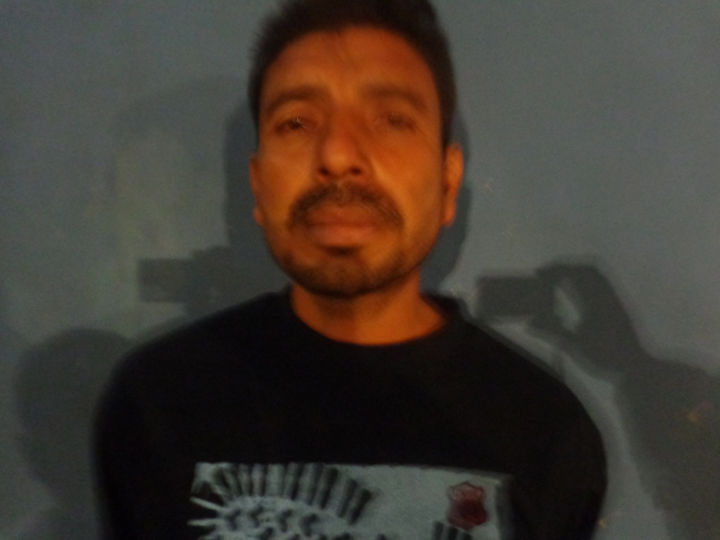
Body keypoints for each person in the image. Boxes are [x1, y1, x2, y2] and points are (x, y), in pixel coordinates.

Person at [94, 1, 606, 538]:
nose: (338, 155)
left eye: (391, 120)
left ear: (448, 182)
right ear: (259, 186)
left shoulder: (545, 430)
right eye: (296, 122)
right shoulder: (158, 403)